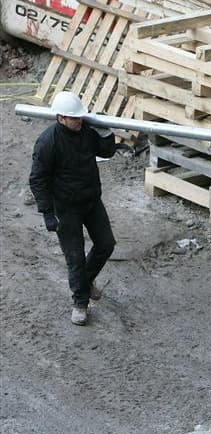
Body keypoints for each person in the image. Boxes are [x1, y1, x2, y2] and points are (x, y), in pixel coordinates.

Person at [29, 91, 117, 326]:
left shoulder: (86, 132)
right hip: (65, 207)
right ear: (61, 118)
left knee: (106, 244)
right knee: (75, 257)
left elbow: (107, 151)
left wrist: (105, 130)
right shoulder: (48, 142)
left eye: (80, 117)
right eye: (73, 118)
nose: (78, 121)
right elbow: (37, 179)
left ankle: (85, 283)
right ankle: (80, 303)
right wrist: (47, 212)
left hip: (90, 200)